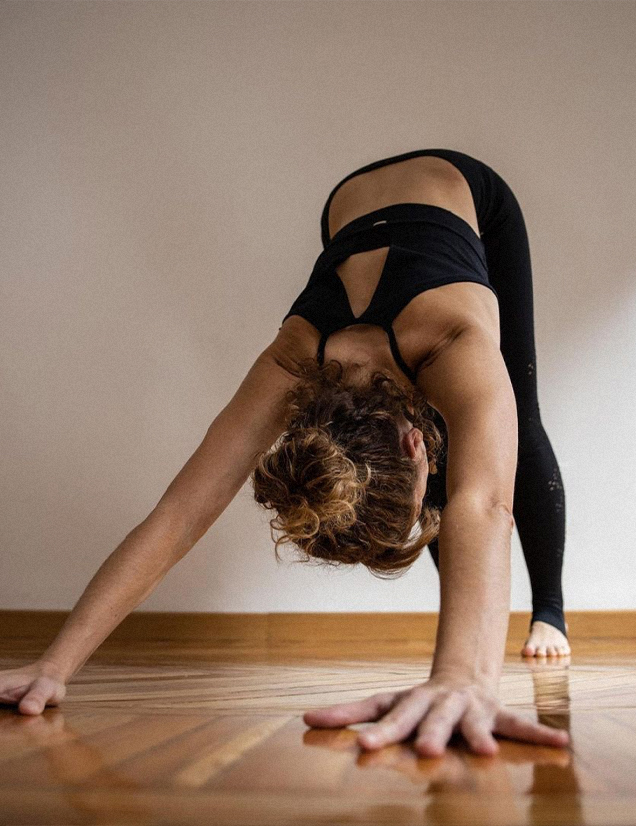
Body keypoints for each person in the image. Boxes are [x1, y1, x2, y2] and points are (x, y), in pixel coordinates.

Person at [0, 148, 571, 756]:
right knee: (475, 451)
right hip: (346, 200)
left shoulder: (450, 339)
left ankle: (550, 608)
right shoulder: (293, 357)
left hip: (466, 188)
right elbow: (179, 515)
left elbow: (483, 502)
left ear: (412, 439)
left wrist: (464, 679)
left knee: (518, 422)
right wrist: (52, 666)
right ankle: (469, 627)